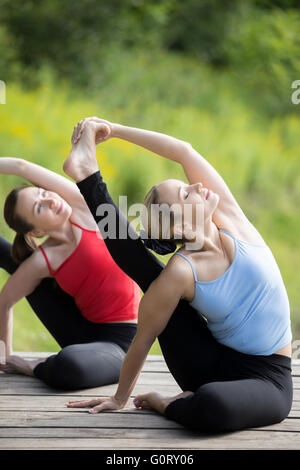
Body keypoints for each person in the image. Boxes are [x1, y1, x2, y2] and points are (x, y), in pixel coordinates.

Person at [65, 117, 293, 432]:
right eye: (187, 194)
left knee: (218, 404)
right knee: (213, 402)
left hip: (269, 377)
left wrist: (114, 130)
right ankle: (87, 175)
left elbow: (183, 152)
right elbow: (142, 339)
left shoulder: (230, 218)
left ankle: (87, 173)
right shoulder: (182, 271)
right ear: (181, 228)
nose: (199, 186)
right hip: (208, 367)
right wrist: (119, 398)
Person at [0, 156, 140, 390]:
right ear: (37, 231)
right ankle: (39, 365)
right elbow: (5, 301)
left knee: (70, 364)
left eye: (43, 193)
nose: (50, 201)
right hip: (82, 335)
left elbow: (20, 166)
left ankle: (34, 367)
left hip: (120, 341)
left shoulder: (82, 207)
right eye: (39, 207)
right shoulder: (44, 260)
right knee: (70, 364)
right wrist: (5, 353)